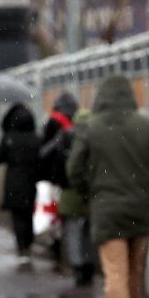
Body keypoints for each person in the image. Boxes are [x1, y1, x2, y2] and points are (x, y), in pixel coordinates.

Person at [67, 76, 149, 298]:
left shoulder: (92, 127)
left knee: (115, 273)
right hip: (142, 209)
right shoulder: (145, 125)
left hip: (107, 207)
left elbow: (74, 169)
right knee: (134, 274)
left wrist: (92, 192)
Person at [0, 104, 41, 263]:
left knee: (17, 216)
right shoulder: (36, 138)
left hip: (13, 180)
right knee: (28, 213)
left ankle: (22, 247)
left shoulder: (9, 137)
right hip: (31, 180)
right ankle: (28, 243)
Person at [41, 92, 78, 268]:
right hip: (67, 179)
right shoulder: (72, 125)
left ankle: (56, 247)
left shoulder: (52, 122)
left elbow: (44, 152)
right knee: (63, 216)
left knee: (54, 213)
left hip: (53, 177)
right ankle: (60, 248)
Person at [58, 109, 94, 286]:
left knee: (73, 232)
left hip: (70, 192)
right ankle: (89, 266)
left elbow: (62, 165)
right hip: (93, 193)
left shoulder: (66, 135)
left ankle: (77, 266)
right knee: (89, 232)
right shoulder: (98, 135)